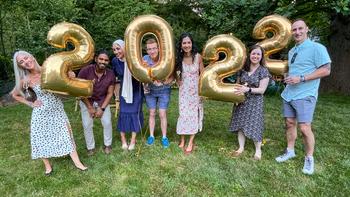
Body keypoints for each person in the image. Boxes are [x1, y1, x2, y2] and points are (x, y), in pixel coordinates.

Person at [11, 50, 87, 176]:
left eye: (26, 58)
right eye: (21, 62)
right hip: (40, 113)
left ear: (32, 56)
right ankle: (47, 166)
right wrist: (31, 103)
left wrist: (70, 74)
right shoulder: (26, 79)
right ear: (20, 66)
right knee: (40, 138)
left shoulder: (49, 68)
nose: (26, 62)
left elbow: (69, 77)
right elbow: (15, 95)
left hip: (57, 109)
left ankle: (78, 163)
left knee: (66, 134)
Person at [275, 19, 331, 175]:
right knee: (289, 123)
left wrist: (301, 78)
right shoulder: (293, 50)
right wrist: (287, 76)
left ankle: (309, 158)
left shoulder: (317, 48)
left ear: (307, 29)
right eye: (294, 30)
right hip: (289, 93)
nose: (297, 32)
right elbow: (295, 70)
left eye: (300, 29)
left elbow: (326, 70)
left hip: (305, 94)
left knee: (305, 128)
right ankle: (290, 150)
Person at [228, 45, 271, 160]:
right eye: (253, 53)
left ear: (261, 57)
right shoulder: (243, 69)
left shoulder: (263, 71)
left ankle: (258, 150)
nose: (255, 56)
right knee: (240, 124)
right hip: (241, 101)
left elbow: (262, 90)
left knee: (255, 124)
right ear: (249, 55)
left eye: (258, 54)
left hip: (255, 102)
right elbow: (238, 84)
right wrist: (235, 98)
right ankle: (241, 147)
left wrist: (248, 89)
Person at [78, 50, 116, 156]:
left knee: (107, 122)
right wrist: (90, 107)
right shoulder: (85, 71)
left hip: (102, 100)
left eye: (106, 60)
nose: (103, 62)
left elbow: (110, 93)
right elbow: (80, 92)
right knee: (87, 124)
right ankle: (91, 147)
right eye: (101, 59)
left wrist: (102, 108)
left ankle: (107, 144)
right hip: (87, 100)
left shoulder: (110, 74)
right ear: (96, 59)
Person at [111, 39, 144, 151]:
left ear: (124, 47)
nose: (116, 51)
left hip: (136, 91)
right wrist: (116, 94)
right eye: (114, 49)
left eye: (118, 48)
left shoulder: (134, 59)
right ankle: (123, 140)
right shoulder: (115, 61)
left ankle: (133, 140)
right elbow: (115, 78)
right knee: (123, 114)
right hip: (124, 92)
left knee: (135, 114)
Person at [175, 32, 204, 154]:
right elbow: (176, 74)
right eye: (184, 43)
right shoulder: (179, 58)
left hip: (195, 92)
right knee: (183, 114)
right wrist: (178, 81)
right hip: (184, 91)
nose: (187, 45)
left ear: (192, 43)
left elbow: (202, 75)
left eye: (189, 42)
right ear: (181, 45)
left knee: (193, 115)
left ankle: (191, 141)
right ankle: (182, 139)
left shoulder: (198, 57)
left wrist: (202, 92)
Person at [143, 38, 174, 148]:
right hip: (150, 91)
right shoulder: (144, 59)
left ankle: (164, 137)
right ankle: (151, 136)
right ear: (146, 50)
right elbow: (141, 75)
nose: (152, 51)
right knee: (152, 113)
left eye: (154, 48)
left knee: (162, 114)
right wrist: (146, 83)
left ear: (159, 48)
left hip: (164, 90)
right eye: (149, 49)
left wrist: (167, 82)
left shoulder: (164, 59)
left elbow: (173, 74)